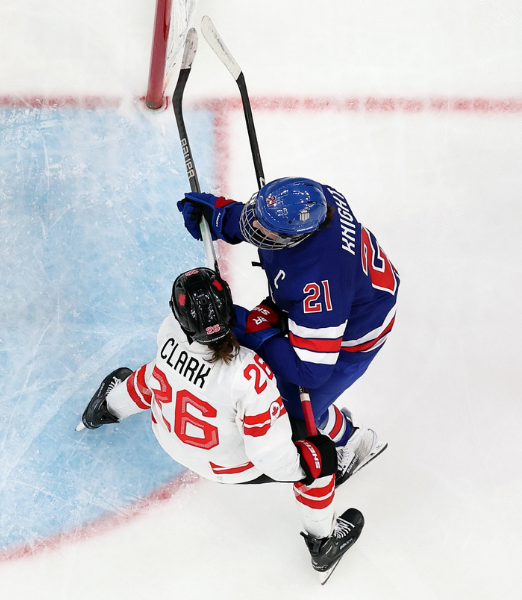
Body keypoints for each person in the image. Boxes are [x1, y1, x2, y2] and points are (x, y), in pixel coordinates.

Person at [79, 268, 363, 581]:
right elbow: (270, 457)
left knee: (158, 374)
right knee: (320, 455)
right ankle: (323, 542)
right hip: (229, 466)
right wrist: (311, 467)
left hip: (167, 434)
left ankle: (107, 408)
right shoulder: (249, 375)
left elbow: (180, 369)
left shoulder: (169, 330)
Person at [176, 177, 393, 484]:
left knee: (292, 408)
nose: (254, 227)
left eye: (265, 228)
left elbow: (310, 370)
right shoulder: (313, 198)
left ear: (297, 237)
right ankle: (346, 432)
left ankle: (356, 442)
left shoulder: (318, 285)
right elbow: (267, 217)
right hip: (341, 294)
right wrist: (223, 217)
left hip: (353, 333)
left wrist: (252, 328)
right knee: (289, 391)